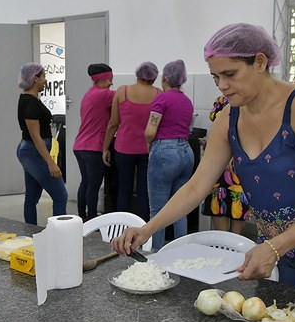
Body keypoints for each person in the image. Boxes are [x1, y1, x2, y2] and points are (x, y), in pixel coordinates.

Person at [112, 23, 295, 300]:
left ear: (260, 62)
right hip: (275, 249)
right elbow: (196, 186)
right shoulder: (229, 117)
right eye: (215, 78)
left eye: (230, 74)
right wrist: (148, 228)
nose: (223, 85)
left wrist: (274, 247)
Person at [145, 59, 195, 251]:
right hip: (186, 152)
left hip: (165, 153)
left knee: (158, 210)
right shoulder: (186, 101)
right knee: (179, 207)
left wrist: (149, 144)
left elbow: (150, 131)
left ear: (164, 77)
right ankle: (180, 252)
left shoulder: (162, 99)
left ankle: (157, 254)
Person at [102, 61, 161, 220]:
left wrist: (105, 147)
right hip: (147, 149)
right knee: (144, 190)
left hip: (123, 149)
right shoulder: (159, 94)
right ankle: (142, 229)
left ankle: (121, 226)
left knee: (124, 189)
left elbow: (113, 123)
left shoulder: (122, 92)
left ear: (137, 74)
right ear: (154, 77)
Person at [16, 63, 68, 225]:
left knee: (31, 197)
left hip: (31, 151)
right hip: (32, 152)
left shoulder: (30, 99)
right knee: (60, 195)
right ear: (35, 78)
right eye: (44, 76)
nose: (45, 80)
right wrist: (51, 163)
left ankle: (30, 233)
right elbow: (35, 137)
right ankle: (60, 234)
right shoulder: (29, 103)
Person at [201, 95, 250, 234]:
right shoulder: (221, 101)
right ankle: (224, 245)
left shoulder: (249, 103)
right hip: (221, 162)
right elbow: (217, 129)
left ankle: (233, 247)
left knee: (237, 203)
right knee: (220, 203)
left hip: (238, 161)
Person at [73, 63, 115, 220]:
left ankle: (82, 215)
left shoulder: (89, 93)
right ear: (102, 80)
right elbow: (126, 96)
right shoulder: (105, 94)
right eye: (110, 79)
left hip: (80, 145)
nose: (111, 83)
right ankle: (92, 218)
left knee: (85, 182)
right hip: (93, 147)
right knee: (94, 184)